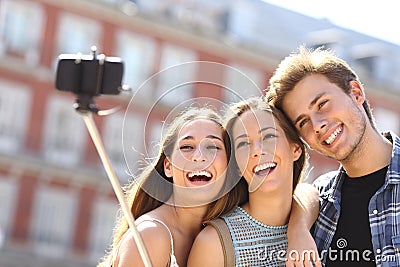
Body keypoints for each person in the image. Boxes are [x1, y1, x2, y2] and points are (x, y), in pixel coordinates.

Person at [266, 46, 400, 266]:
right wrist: (298, 229)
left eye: (322, 104)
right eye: (303, 122)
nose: (317, 125)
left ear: (356, 93)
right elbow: (306, 193)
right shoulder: (321, 201)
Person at [98, 107, 237, 267]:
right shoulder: (152, 234)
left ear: (228, 166)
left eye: (212, 147)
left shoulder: (220, 236)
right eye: (187, 147)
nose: (199, 156)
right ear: (168, 167)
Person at [187, 97, 316, 267]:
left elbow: (311, 193)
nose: (257, 151)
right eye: (243, 144)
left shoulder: (319, 218)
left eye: (269, 136)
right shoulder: (214, 244)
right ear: (237, 166)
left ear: (296, 149)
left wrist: (299, 229)